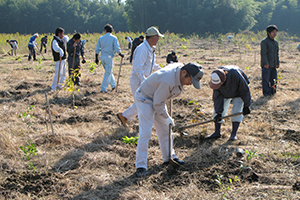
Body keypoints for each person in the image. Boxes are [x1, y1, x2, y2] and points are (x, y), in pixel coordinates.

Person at [134, 62, 204, 177]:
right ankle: (141, 166)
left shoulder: (180, 69)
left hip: (159, 98)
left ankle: (170, 157)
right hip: (145, 98)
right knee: (146, 133)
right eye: (190, 80)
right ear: (184, 72)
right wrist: (167, 118)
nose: (190, 84)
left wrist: (166, 120)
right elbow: (157, 105)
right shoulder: (166, 80)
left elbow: (176, 64)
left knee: (166, 130)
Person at [117, 27, 163, 128]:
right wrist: (144, 81)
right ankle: (139, 123)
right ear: (152, 38)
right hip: (138, 80)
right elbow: (137, 68)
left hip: (144, 80)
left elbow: (153, 65)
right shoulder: (142, 49)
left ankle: (124, 116)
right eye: (157, 37)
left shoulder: (150, 49)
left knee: (142, 103)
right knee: (143, 103)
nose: (158, 40)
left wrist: (163, 70)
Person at [206, 65, 251, 141]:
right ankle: (217, 132)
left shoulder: (235, 74)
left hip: (238, 93)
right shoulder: (216, 80)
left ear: (225, 79)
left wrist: (247, 105)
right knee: (217, 114)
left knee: (237, 111)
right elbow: (217, 98)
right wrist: (218, 112)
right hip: (224, 94)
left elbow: (245, 91)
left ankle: (233, 134)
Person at [95, 24, 124, 93]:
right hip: (109, 57)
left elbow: (97, 49)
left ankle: (113, 85)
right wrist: (120, 54)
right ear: (112, 30)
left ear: (105, 30)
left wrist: (96, 58)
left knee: (108, 71)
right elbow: (117, 48)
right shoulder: (114, 38)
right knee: (107, 73)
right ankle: (103, 88)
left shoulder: (101, 38)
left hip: (102, 57)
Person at [261, 25, 279, 96]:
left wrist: (277, 63)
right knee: (266, 80)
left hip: (273, 64)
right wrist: (266, 63)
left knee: (274, 80)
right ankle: (266, 93)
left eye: (275, 32)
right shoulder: (264, 42)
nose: (275, 34)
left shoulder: (275, 43)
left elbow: (277, 54)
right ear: (269, 33)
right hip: (267, 65)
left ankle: (273, 91)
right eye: (273, 32)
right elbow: (263, 53)